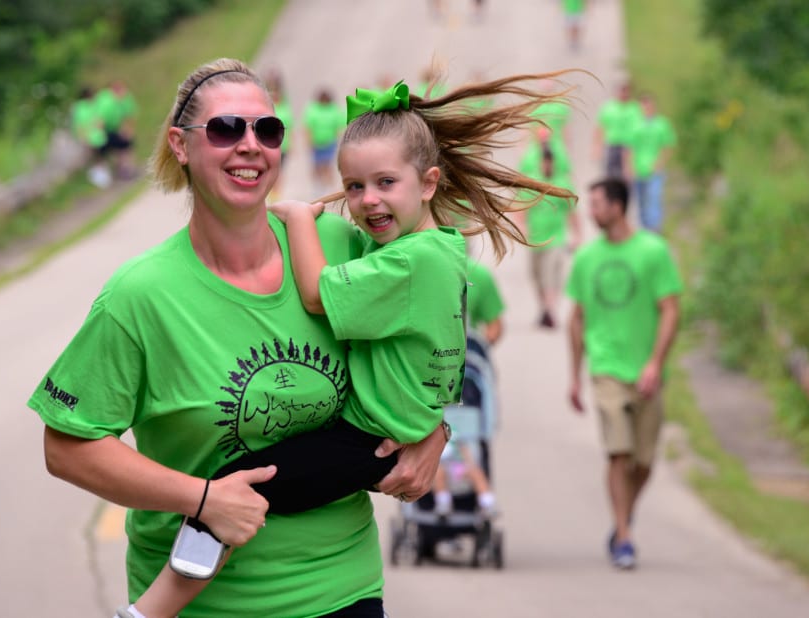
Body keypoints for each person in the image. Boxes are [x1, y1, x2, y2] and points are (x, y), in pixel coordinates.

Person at [106, 68, 583, 617]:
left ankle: (148, 613)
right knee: (227, 494)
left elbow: (314, 294)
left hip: (364, 443)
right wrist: (432, 423)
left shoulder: (400, 259)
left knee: (228, 492)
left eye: (385, 184)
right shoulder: (422, 251)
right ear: (180, 144)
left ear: (428, 184)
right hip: (380, 432)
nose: (366, 202)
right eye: (355, 186)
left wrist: (297, 217)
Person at [29, 58, 451, 618]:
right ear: (181, 146)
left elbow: (435, 317)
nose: (251, 145)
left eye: (267, 130)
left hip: (340, 591)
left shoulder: (340, 243)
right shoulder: (140, 296)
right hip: (206, 607)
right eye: (227, 129)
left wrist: (435, 430)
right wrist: (202, 498)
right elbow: (67, 448)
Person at [565, 177, 682, 571]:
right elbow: (576, 319)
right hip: (607, 369)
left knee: (644, 462)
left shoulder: (653, 251)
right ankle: (624, 537)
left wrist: (654, 362)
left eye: (596, 203)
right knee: (618, 451)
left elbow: (670, 308)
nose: (590, 211)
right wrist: (574, 376)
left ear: (617, 206)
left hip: (646, 371)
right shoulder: (585, 258)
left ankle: (622, 517)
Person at [518, 139, 581, 329]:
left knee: (552, 276)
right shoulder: (532, 183)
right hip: (536, 239)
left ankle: (551, 310)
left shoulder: (562, 185)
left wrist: (577, 235)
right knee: (537, 276)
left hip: (556, 238)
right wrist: (522, 229)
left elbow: (572, 213)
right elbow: (520, 210)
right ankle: (545, 308)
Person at [624, 92, 677, 232]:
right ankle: (645, 228)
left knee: (654, 198)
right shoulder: (634, 125)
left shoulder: (662, 124)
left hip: (655, 169)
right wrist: (629, 168)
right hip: (639, 168)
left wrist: (660, 162)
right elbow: (629, 148)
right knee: (641, 201)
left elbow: (668, 145)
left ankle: (655, 229)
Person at [593, 81, 643, 180]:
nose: (624, 94)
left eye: (626, 91)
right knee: (609, 173)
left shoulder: (635, 108)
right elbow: (601, 127)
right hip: (612, 143)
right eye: (622, 91)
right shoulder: (609, 107)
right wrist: (597, 146)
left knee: (626, 175)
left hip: (629, 145)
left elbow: (641, 128)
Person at [303, 87, 346, 194]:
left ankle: (328, 187)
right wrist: (309, 142)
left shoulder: (334, 109)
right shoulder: (313, 109)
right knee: (317, 166)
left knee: (327, 166)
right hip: (316, 143)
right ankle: (318, 188)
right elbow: (308, 127)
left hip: (329, 143)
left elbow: (339, 127)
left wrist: (338, 141)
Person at [95, 79, 139, 180]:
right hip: (103, 131)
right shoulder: (107, 103)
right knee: (113, 146)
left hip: (113, 129)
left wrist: (127, 129)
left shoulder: (124, 99)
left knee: (125, 143)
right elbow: (99, 122)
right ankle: (118, 170)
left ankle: (124, 169)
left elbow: (128, 115)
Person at [70, 86, 111, 188]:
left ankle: (101, 173)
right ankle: (98, 174)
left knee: (99, 154)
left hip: (97, 135)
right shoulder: (80, 107)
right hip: (89, 136)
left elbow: (100, 121)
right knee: (94, 154)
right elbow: (79, 123)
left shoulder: (94, 105)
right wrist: (83, 136)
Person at [264, 68, 293, 200]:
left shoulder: (283, 102)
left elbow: (290, 124)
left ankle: (275, 196)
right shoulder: (265, 101)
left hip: (283, 144)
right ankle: (271, 194)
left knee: (279, 171)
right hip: (269, 143)